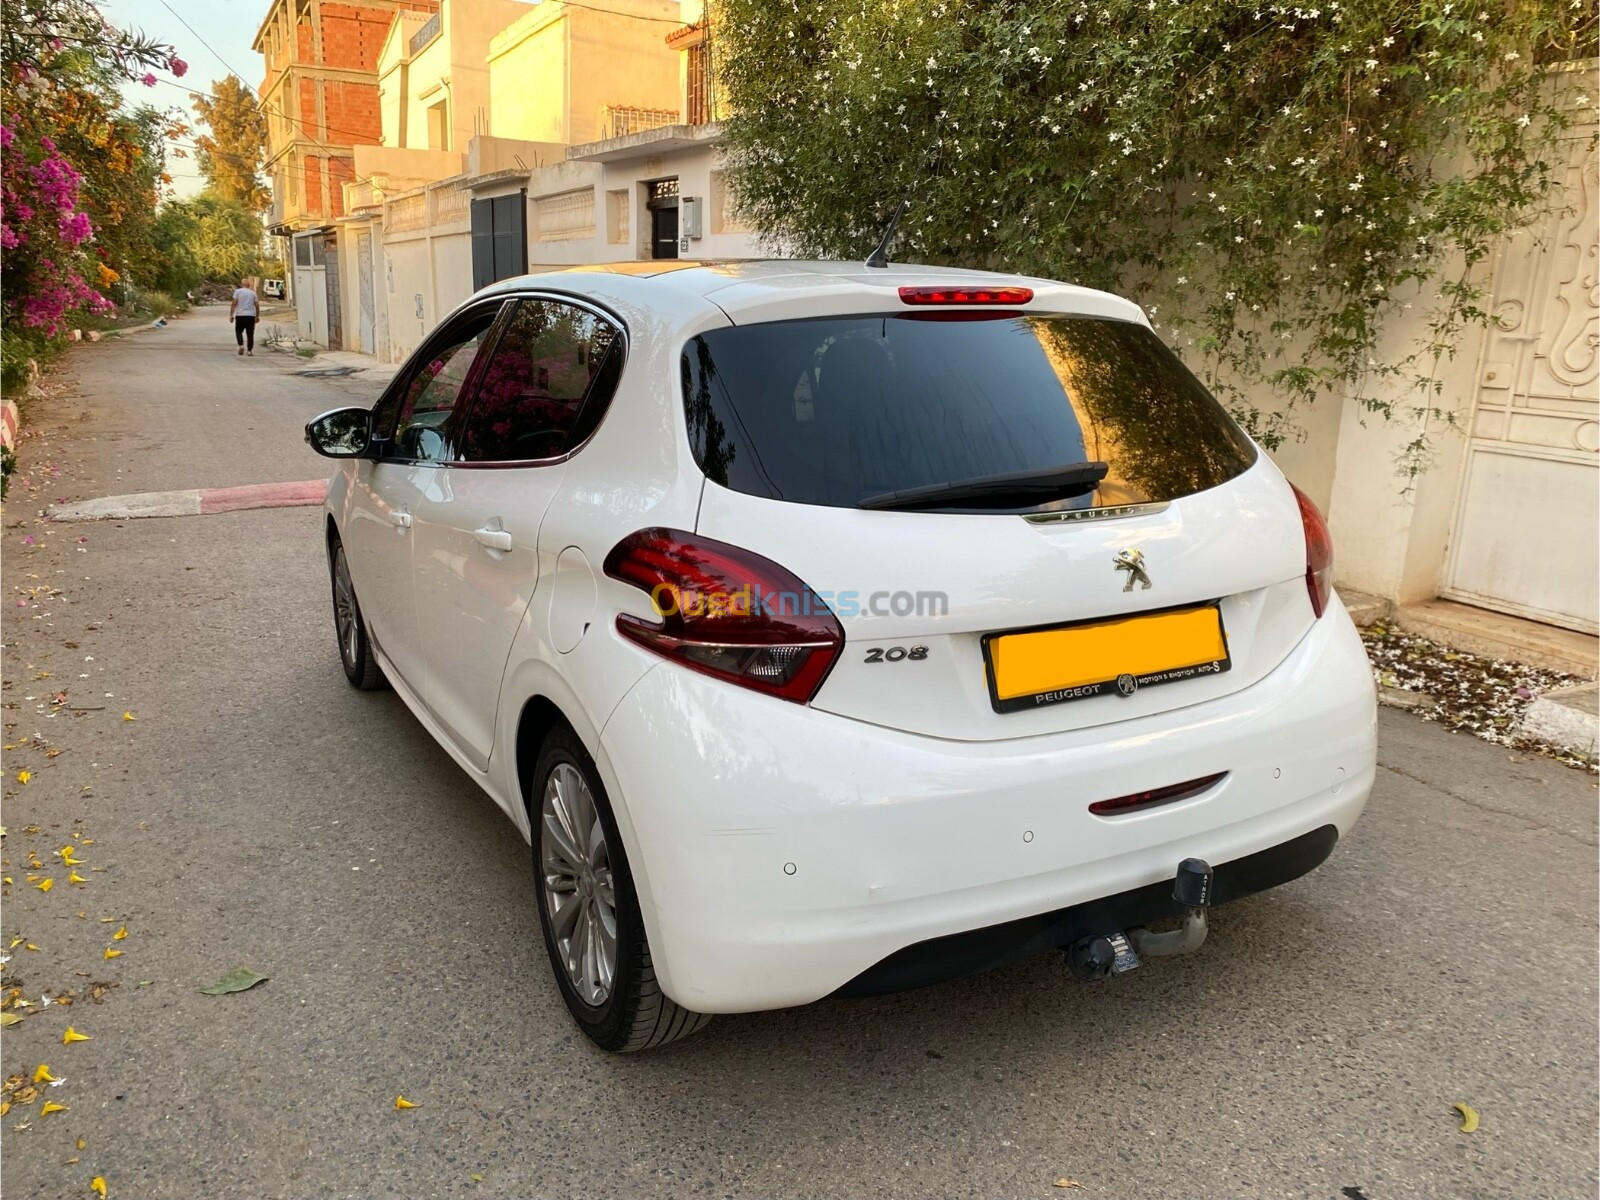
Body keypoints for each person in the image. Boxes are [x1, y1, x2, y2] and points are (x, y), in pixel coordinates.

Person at [229, 278, 258, 356]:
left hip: (240, 315)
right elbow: (257, 305)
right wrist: (257, 316)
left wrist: (231, 315)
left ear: (241, 284)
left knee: (238, 331)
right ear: (249, 285)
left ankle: (241, 345)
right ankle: (249, 351)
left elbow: (234, 303)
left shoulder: (237, 292)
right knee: (250, 333)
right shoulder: (253, 293)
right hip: (250, 316)